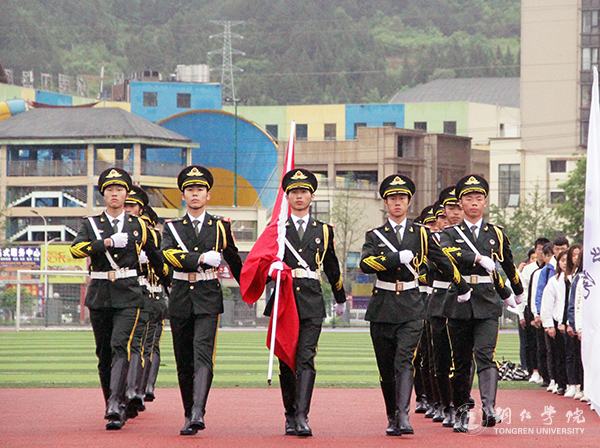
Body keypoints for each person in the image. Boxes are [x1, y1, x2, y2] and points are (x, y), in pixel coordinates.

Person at [360, 174, 471, 436]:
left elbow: (442, 261)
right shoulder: (375, 235)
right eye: (392, 198)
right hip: (383, 306)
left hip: (411, 306)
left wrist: (462, 286)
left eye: (402, 198)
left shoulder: (421, 233)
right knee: (386, 368)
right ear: (386, 203)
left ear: (409, 202)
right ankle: (392, 416)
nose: (397, 202)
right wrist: (395, 258)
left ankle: (402, 415)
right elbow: (365, 264)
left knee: (405, 361)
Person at [69, 167, 168, 430]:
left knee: (119, 345)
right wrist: (107, 243)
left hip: (129, 294)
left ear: (126, 194)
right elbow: (76, 250)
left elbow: (156, 258)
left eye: (120, 190)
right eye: (110, 190)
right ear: (104, 194)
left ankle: (116, 404)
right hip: (100, 293)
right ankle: (112, 402)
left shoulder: (138, 225)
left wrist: (170, 282)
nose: (115, 194)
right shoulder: (91, 224)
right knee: (104, 354)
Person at [162, 165, 243, 436]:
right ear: (183, 196)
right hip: (181, 296)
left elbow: (234, 259)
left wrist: (252, 286)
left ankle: (198, 411)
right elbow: (168, 255)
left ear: (208, 195)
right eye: (190, 190)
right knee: (184, 361)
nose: (195, 194)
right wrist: (199, 258)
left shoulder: (220, 226)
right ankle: (188, 413)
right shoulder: (172, 228)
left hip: (208, 295)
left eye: (200, 189)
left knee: (203, 355)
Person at [440, 174, 524, 433]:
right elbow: (446, 253)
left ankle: (489, 408)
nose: (474, 203)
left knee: (486, 355)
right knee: (461, 362)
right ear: (461, 203)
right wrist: (476, 258)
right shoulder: (450, 233)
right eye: (469, 198)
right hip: (459, 299)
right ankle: (462, 412)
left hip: (487, 299)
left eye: (479, 198)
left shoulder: (495, 233)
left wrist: (518, 291)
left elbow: (508, 263)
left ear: (485, 202)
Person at [266, 168, 346, 437]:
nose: (299, 196)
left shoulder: (323, 230)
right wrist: (270, 271)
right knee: (286, 360)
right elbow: (262, 262)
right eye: (294, 192)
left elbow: (331, 265)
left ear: (311, 196)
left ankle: (302, 416)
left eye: (304, 192)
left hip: (311, 300)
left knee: (306, 357)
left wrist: (340, 297)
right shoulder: (277, 229)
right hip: (284, 300)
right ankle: (289, 414)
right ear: (287, 197)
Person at [122, 187, 169, 416]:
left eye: (132, 206)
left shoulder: (153, 236)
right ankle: (140, 388)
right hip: (136, 294)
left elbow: (163, 265)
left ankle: (138, 389)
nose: (128, 209)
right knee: (141, 345)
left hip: (147, 294)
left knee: (140, 345)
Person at [427, 186, 464, 428]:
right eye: (451, 208)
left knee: (463, 358)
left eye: (459, 207)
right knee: (440, 356)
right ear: (443, 211)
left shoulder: (474, 237)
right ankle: (446, 405)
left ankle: (462, 405)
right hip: (441, 298)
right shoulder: (432, 240)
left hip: (465, 299)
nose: (456, 212)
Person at [540, 249, 569, 396]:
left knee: (571, 355)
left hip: (571, 322)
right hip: (557, 322)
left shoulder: (577, 279)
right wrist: (549, 324)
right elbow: (547, 304)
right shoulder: (554, 281)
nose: (565, 263)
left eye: (567, 260)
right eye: (562, 260)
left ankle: (573, 383)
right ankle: (560, 383)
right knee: (558, 355)